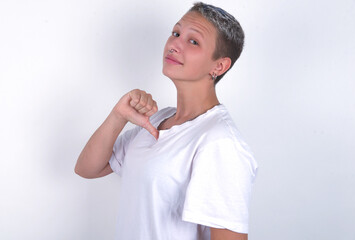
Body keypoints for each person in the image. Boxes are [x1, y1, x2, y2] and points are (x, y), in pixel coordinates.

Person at [75, 2, 258, 240]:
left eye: (193, 41)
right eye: (176, 33)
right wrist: (118, 115)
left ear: (219, 65)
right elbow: (87, 168)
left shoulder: (219, 142)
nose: (175, 45)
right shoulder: (157, 120)